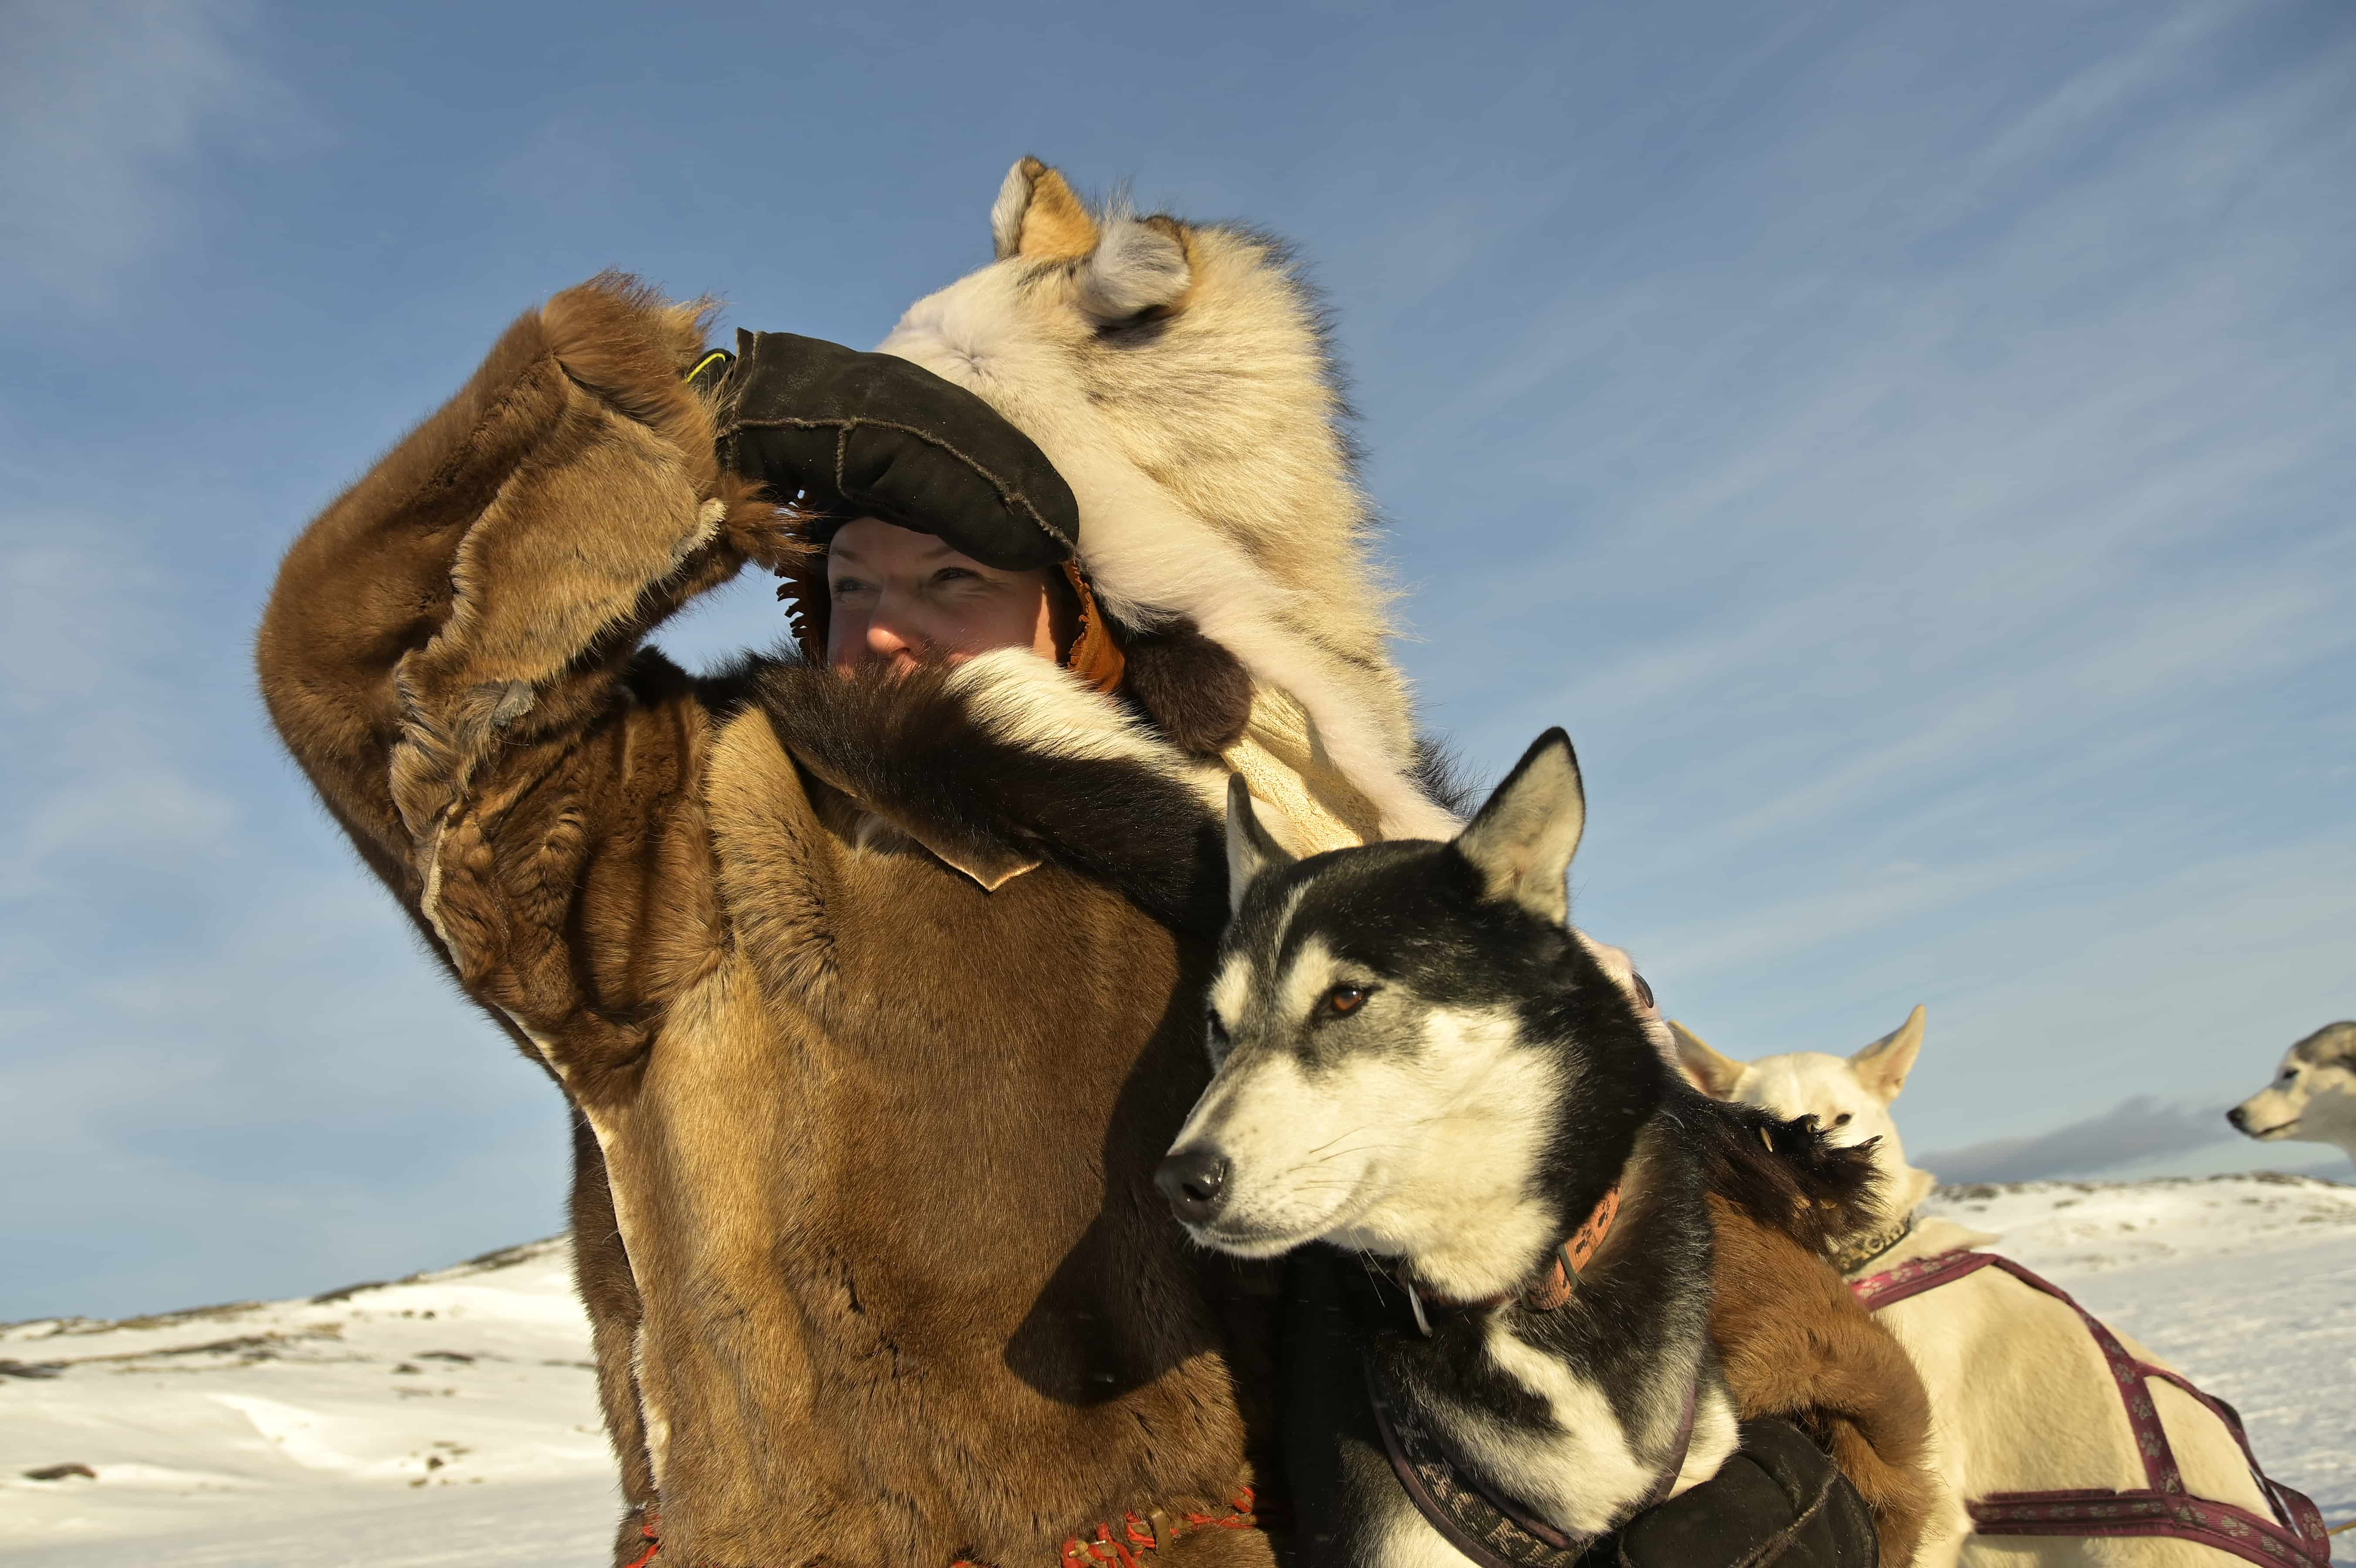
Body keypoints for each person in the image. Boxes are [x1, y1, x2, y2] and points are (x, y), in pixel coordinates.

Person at [257, 165, 1881, 1568]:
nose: (878, 625)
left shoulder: (1271, 851)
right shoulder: (690, 828)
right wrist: (656, 430)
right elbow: (368, 680)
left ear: (1080, 610)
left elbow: (1563, 1158)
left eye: (950, 575)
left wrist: (1799, 1427)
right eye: (842, 584)